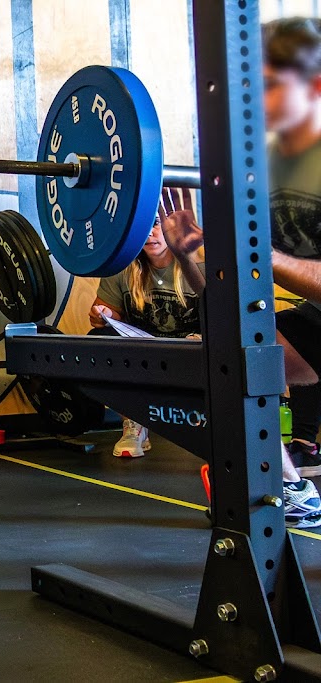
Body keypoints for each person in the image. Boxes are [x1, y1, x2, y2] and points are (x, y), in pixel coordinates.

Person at [162, 17, 321, 528]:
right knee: (228, 354)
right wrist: (189, 255)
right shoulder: (260, 170)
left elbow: (266, 259)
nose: (253, 99)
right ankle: (288, 486)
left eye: (269, 85)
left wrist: (262, 255)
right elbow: (224, 306)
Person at [88, 189, 205, 457]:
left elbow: (226, 320)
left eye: (157, 224)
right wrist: (103, 315)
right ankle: (134, 423)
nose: (150, 233)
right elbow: (105, 316)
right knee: (100, 339)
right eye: (143, 226)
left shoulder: (203, 263)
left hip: (191, 350)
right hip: (144, 352)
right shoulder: (123, 265)